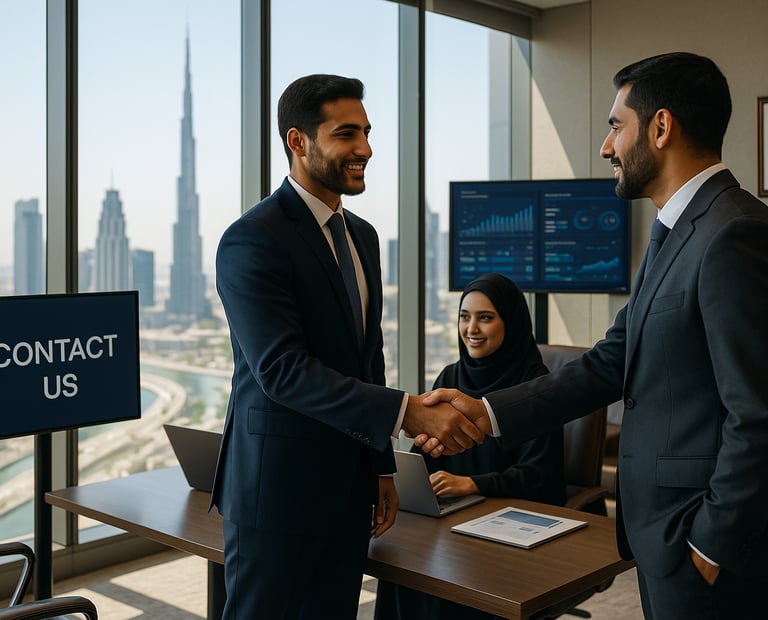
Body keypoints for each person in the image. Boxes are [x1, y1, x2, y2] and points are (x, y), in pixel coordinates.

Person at [419, 52, 768, 619]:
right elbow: (609, 363)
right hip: (664, 540)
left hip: (703, 547)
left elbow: (758, 411)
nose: (606, 147)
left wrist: (711, 542)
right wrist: (485, 413)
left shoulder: (734, 234)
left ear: (660, 128)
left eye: (614, 126)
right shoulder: (679, 235)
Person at [211, 73, 483, 619]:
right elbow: (282, 371)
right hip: (279, 495)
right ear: (297, 141)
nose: (365, 148)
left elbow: (367, 362)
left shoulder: (362, 236)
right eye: (346, 134)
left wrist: (380, 468)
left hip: (348, 491)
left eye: (366, 132)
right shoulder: (252, 238)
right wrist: (408, 414)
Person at [375, 272, 566, 619]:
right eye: (465, 317)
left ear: (511, 322)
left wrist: (474, 483)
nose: (471, 329)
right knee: (403, 566)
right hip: (452, 517)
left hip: (509, 525)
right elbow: (425, 456)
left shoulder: (535, 386)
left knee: (453, 580)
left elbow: (539, 475)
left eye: (486, 318)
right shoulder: (451, 377)